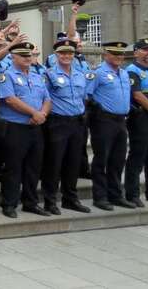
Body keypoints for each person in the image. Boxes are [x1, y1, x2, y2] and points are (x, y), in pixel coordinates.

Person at [0, 42, 51, 218]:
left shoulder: (37, 76)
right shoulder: (6, 76)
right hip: (15, 128)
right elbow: (10, 100)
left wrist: (42, 113)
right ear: (13, 57)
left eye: (30, 55)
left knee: (34, 167)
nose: (28, 58)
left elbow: (47, 99)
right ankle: (9, 203)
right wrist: (34, 112)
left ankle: (30, 202)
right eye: (23, 55)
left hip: (35, 127)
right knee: (13, 167)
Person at [41, 39, 91, 214]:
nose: (66, 56)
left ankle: (70, 199)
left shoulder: (79, 74)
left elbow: (83, 96)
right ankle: (50, 201)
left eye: (70, 53)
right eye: (63, 53)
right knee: (54, 163)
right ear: (56, 55)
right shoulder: (49, 74)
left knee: (73, 162)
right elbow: (44, 98)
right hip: (57, 123)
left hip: (77, 122)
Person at [87, 42, 135, 211]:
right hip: (103, 121)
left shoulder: (123, 73)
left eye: (120, 54)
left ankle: (115, 195)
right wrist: (97, 111)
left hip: (121, 120)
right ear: (106, 54)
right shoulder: (98, 73)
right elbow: (87, 95)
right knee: (102, 159)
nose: (118, 57)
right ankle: (100, 197)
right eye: (114, 53)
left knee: (118, 159)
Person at [125, 39, 148, 206]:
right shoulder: (132, 70)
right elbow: (137, 95)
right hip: (141, 118)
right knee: (137, 156)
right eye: (145, 49)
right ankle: (132, 194)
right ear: (136, 52)